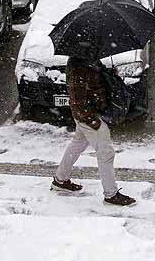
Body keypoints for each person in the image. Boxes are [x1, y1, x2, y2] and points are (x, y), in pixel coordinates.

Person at [51, 53, 136, 207]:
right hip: (89, 117)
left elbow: (95, 83)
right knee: (106, 153)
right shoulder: (78, 66)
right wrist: (94, 122)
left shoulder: (89, 59)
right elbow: (78, 101)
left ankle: (60, 179)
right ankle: (111, 195)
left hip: (92, 114)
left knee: (77, 145)